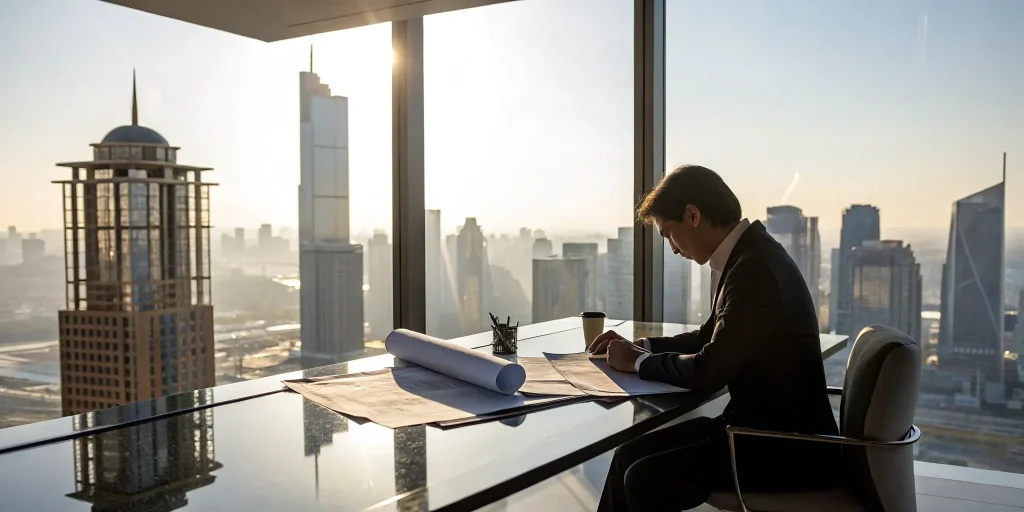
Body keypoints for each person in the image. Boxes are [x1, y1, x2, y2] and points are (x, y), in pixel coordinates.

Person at [589, 165, 839, 511]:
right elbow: (709, 338)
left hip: (784, 449)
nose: (673, 249)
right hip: (755, 430)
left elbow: (709, 370)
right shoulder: (748, 257)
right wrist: (641, 348)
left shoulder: (755, 270)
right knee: (627, 456)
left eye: (668, 234)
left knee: (645, 478)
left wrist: (637, 363)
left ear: (692, 215)